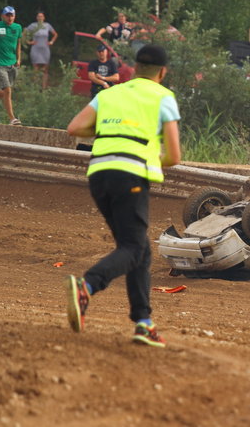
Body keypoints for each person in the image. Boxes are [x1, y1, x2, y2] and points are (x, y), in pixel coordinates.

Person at [65, 44, 182, 348]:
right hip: (130, 175)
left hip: (99, 174)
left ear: (133, 67)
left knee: (139, 250)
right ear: (163, 72)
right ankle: (87, 285)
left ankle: (143, 323)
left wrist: (111, 133)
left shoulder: (110, 93)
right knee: (133, 246)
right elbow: (174, 155)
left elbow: (75, 128)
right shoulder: (163, 97)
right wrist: (149, 156)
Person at [24, 11, 58, 89]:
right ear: (36, 18)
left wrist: (51, 42)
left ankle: (44, 88)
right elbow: (24, 33)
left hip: (45, 48)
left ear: (44, 18)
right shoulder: (33, 25)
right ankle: (35, 87)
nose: (40, 18)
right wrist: (28, 42)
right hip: (35, 48)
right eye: (38, 16)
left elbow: (55, 34)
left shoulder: (47, 25)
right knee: (35, 69)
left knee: (45, 69)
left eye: (41, 16)